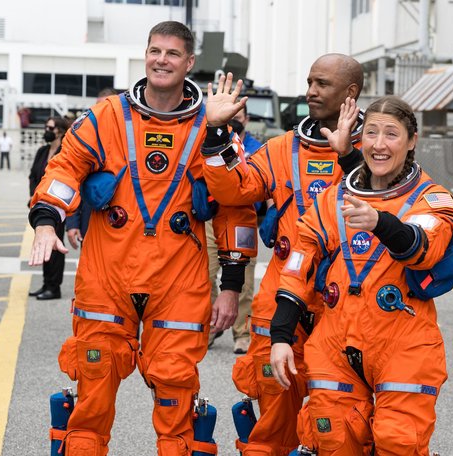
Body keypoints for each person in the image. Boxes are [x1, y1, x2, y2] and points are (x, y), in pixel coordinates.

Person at [28, 21, 255, 455]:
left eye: (172, 53)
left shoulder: (213, 127)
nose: (161, 60)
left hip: (178, 281)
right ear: (145, 55)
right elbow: (64, 167)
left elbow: (235, 206)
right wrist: (45, 218)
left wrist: (229, 288)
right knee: (92, 391)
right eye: (154, 51)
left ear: (189, 63)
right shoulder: (109, 116)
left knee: (175, 389)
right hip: (106, 276)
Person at [268, 95, 453, 455]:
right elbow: (297, 269)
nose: (379, 144)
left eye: (391, 134)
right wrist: (280, 336)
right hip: (334, 343)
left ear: (412, 140)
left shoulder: (432, 199)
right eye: (371, 132)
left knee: (398, 441)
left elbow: (423, 247)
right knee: (332, 439)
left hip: (403, 342)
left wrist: (380, 223)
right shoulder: (331, 201)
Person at [201, 54, 365, 455]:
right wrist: (216, 132)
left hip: (345, 306)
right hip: (281, 300)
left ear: (351, 93)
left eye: (322, 84)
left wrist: (350, 155)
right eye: (309, 81)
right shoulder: (282, 148)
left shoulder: (377, 148)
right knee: (273, 422)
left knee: (337, 423)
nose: (310, 91)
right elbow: (233, 190)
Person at [207, 103, 264, 353]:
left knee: (243, 282)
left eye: (237, 115)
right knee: (204, 275)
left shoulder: (257, 149)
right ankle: (210, 325)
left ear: (246, 118)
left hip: (243, 216)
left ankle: (241, 332)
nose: (232, 119)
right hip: (210, 217)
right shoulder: (209, 139)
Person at [66, 88, 120, 249]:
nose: (101, 112)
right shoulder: (86, 142)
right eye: (97, 107)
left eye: (106, 107)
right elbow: (73, 181)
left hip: (126, 230)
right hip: (90, 226)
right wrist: (72, 223)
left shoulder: (134, 140)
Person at [28, 117, 69, 299]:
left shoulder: (65, 150)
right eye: (46, 126)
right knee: (44, 244)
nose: (47, 129)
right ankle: (46, 283)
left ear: (59, 130)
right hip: (40, 204)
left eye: (50, 127)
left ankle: (54, 286)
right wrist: (33, 196)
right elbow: (33, 175)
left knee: (55, 247)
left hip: (58, 206)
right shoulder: (43, 150)